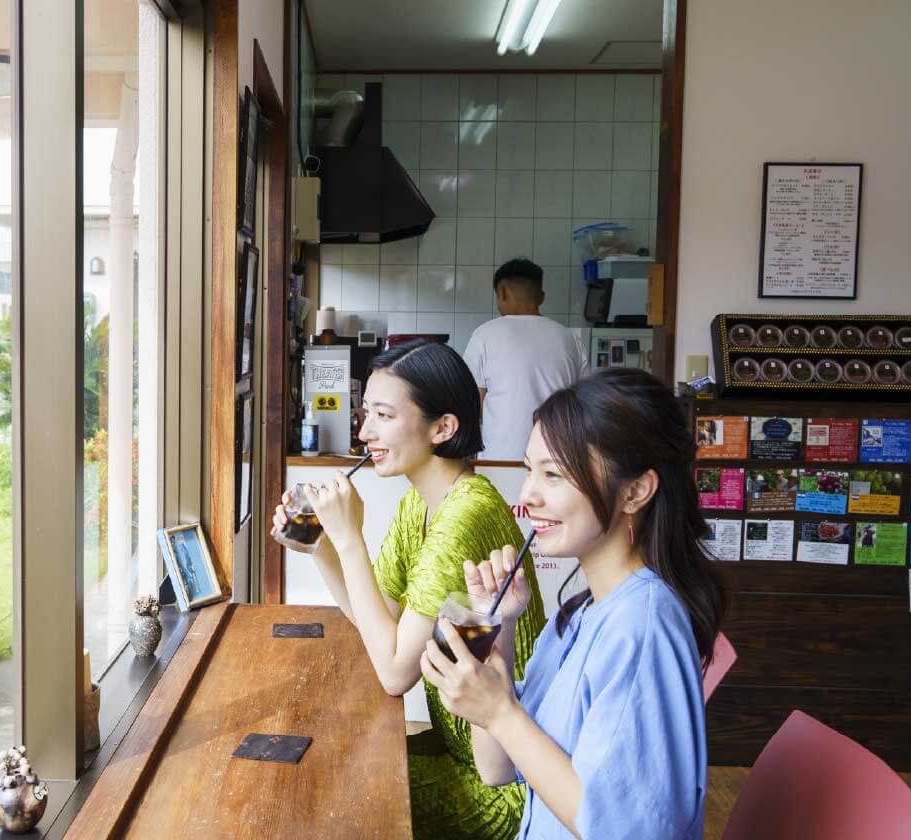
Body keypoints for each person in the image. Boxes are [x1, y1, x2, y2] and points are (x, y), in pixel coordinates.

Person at [420, 368, 727, 840]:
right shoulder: (581, 614)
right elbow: (496, 767)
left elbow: (623, 830)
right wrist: (497, 631)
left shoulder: (641, 626)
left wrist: (503, 712)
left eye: (554, 474)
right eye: (529, 470)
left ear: (635, 491)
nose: (528, 496)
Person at [273, 339, 547, 840]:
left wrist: (350, 537)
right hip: (462, 747)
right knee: (326, 758)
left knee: (326, 796)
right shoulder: (420, 503)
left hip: (502, 785)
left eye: (383, 415)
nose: (364, 432)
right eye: (365, 414)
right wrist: (323, 548)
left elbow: (395, 672)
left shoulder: (465, 514)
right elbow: (380, 620)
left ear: (443, 428)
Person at [462, 258, 588, 461]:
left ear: (502, 293)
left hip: (501, 460)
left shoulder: (484, 335)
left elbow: (472, 403)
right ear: (542, 297)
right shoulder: (571, 339)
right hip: (558, 459)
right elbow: (582, 404)